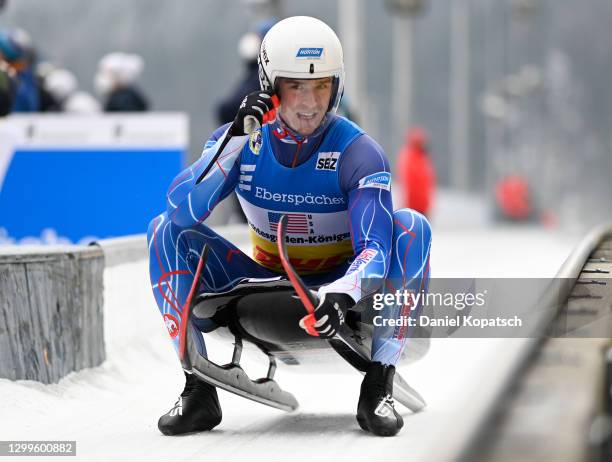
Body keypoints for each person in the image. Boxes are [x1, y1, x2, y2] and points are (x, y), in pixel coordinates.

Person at [147, 16, 432, 437]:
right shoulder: (241, 139)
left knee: (411, 226)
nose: (309, 103)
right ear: (269, 86)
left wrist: (346, 291)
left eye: (322, 87)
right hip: (269, 279)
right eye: (295, 86)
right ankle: (197, 391)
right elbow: (179, 212)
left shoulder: (359, 153)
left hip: (343, 293)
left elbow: (378, 245)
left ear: (336, 87)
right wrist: (235, 143)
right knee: (161, 230)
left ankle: (378, 384)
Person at [396, 126, 436, 217]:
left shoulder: (423, 157)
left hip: (423, 205)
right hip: (413, 206)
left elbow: (428, 182)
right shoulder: (410, 157)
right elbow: (408, 182)